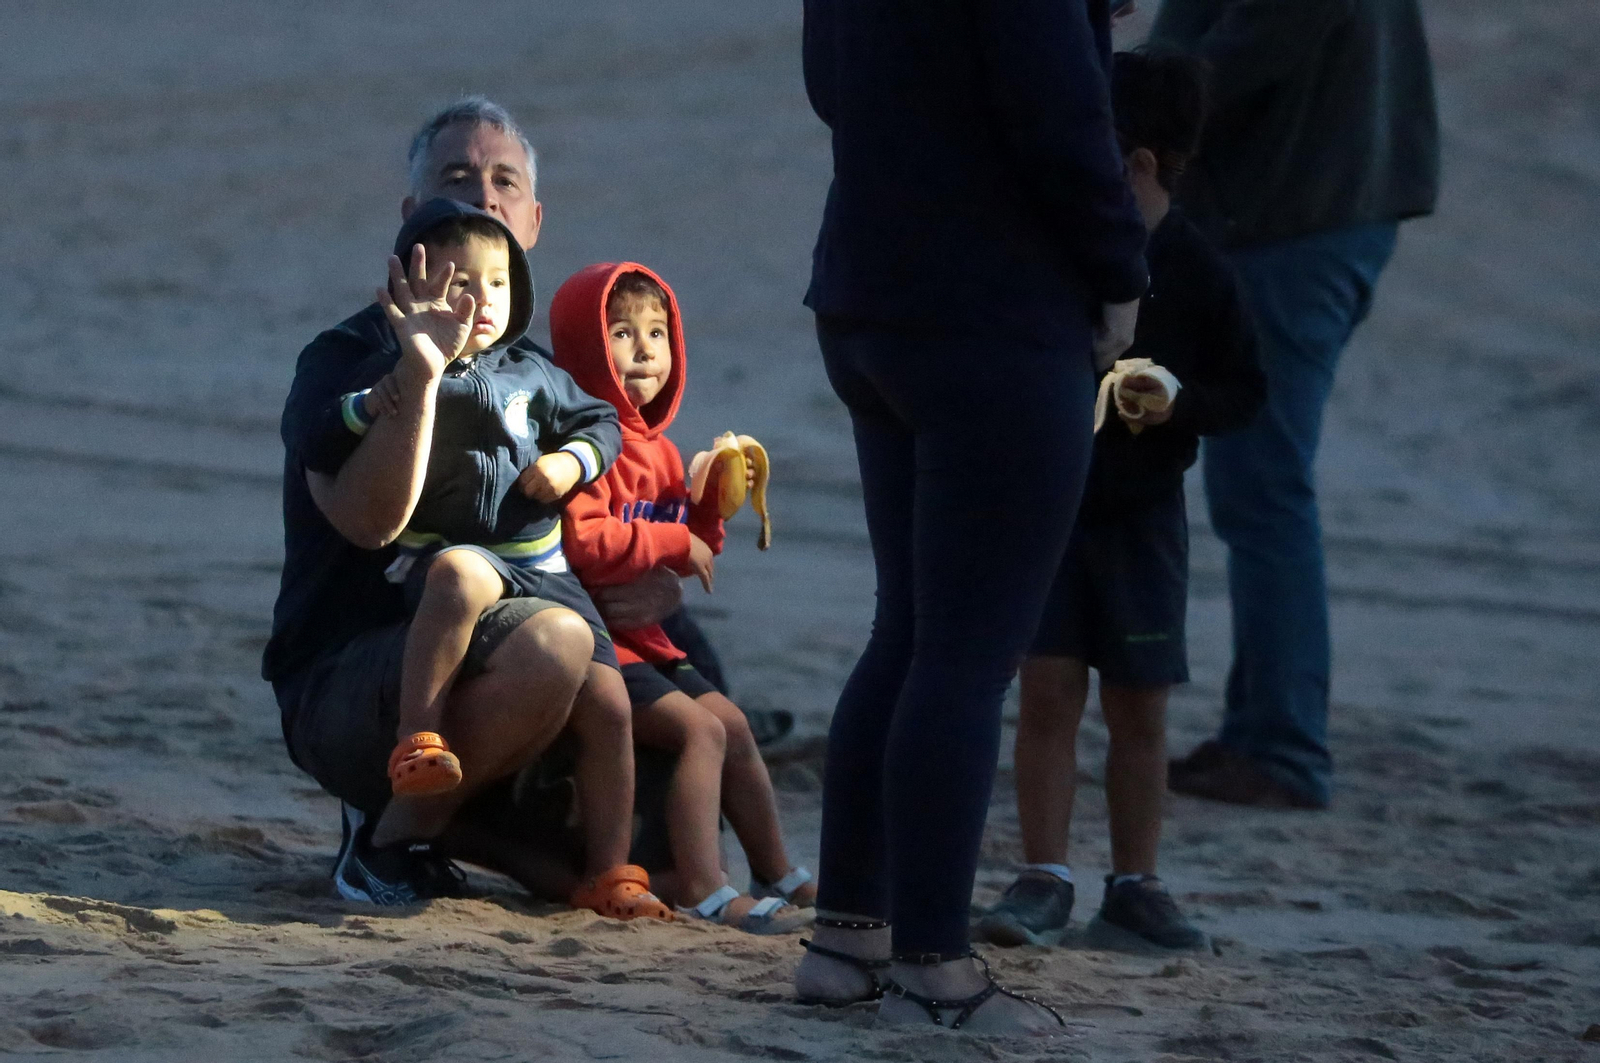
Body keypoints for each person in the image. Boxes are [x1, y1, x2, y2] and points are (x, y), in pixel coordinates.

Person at [791, 0, 1149, 1035]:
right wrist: (1120, 269)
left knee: (906, 631)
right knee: (965, 652)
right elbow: (1062, 120)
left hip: (868, 291)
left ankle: (845, 940)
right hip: (992, 305)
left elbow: (830, 86)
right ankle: (932, 963)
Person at [977, 49, 1264, 953]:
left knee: (1141, 704)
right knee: (1049, 690)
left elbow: (1247, 390)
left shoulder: (1201, 269)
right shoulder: (1063, 246)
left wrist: (1177, 399)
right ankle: (1044, 876)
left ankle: (1137, 883)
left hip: (1144, 522)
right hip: (1054, 508)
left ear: (1136, 162)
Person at [313, 199, 673, 920]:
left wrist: (572, 463)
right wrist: (391, 392)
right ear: (416, 292)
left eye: (499, 285)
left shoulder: (534, 371)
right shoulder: (410, 368)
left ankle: (611, 871)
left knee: (607, 704)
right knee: (456, 576)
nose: (481, 302)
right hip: (453, 553)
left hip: (544, 568)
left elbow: (599, 421)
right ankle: (421, 738)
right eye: (459, 285)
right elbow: (334, 427)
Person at [1151, 1, 1440, 809]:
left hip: (1296, 225)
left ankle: (1282, 746)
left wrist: (1100, 87)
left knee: (1264, 486)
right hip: (1316, 212)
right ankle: (1263, 732)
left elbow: (1215, 69)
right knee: (1262, 487)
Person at [550, 263, 814, 933]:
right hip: (604, 650)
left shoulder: (663, 451)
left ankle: (779, 871)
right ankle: (703, 884)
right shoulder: (586, 444)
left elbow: (696, 549)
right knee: (698, 730)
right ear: (585, 345)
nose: (643, 350)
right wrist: (673, 543)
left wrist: (711, 500)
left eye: (657, 334)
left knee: (731, 720)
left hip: (652, 642)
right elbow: (587, 540)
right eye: (622, 332)